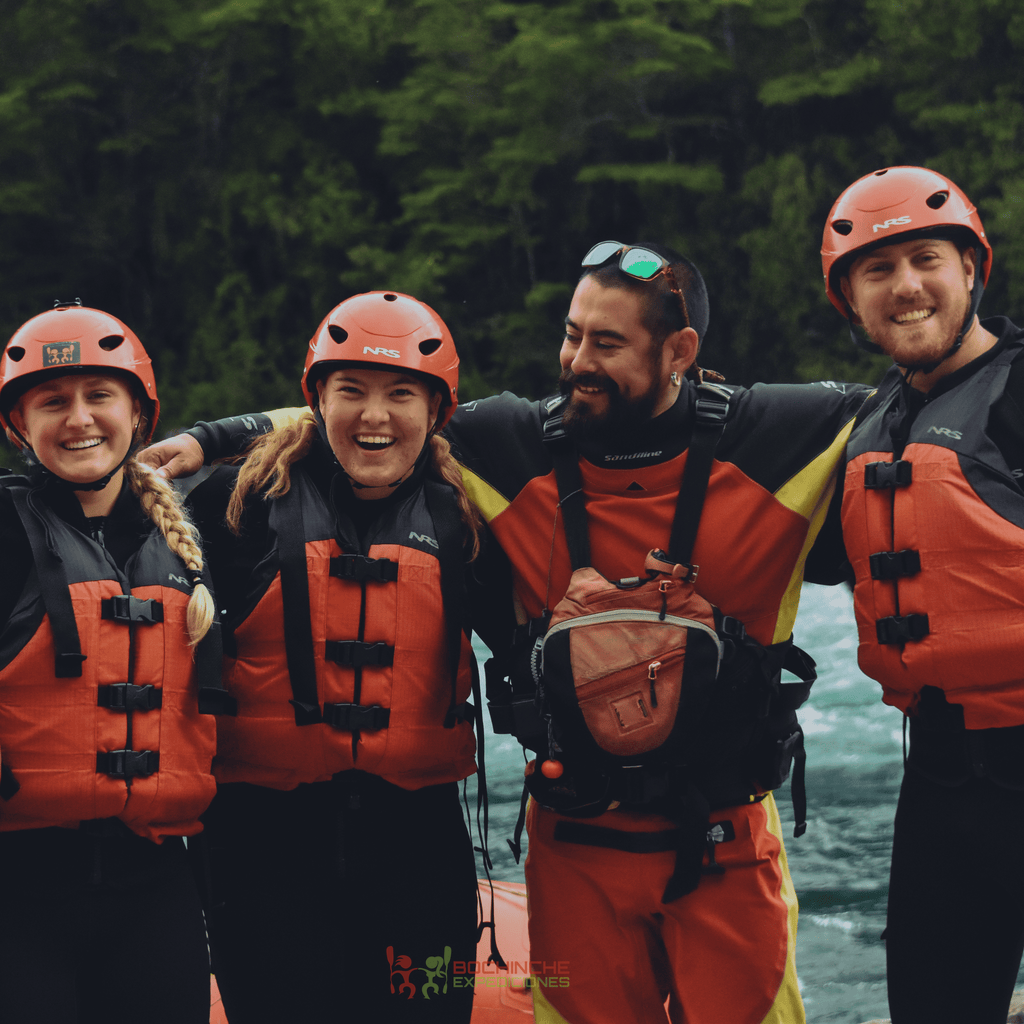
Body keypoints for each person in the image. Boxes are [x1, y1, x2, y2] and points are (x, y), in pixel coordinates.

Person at [142, 249, 872, 1023]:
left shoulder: (783, 432)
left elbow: (916, 400)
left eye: (606, 344)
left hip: (715, 838)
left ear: (681, 354)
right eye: (571, 335)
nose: (576, 360)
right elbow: (360, 408)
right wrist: (215, 436)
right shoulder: (501, 446)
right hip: (550, 848)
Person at [182, 291, 506, 1024]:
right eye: (350, 391)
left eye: (401, 394)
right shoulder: (234, 507)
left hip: (418, 844)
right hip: (261, 845)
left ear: (437, 411)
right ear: (315, 400)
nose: (374, 416)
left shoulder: (468, 519)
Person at [821, 165, 1024, 1024]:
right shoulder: (866, 428)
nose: (906, 287)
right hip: (944, 781)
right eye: (877, 270)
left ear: (972, 269)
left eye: (927, 259)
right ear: (852, 302)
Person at [0, 301, 233, 1024]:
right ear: (17, 426)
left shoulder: (199, 529)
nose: (79, 420)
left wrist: (208, 440)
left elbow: (329, 422)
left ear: (139, 413)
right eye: (52, 402)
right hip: (20, 898)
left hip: (156, 889)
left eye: (101, 395)